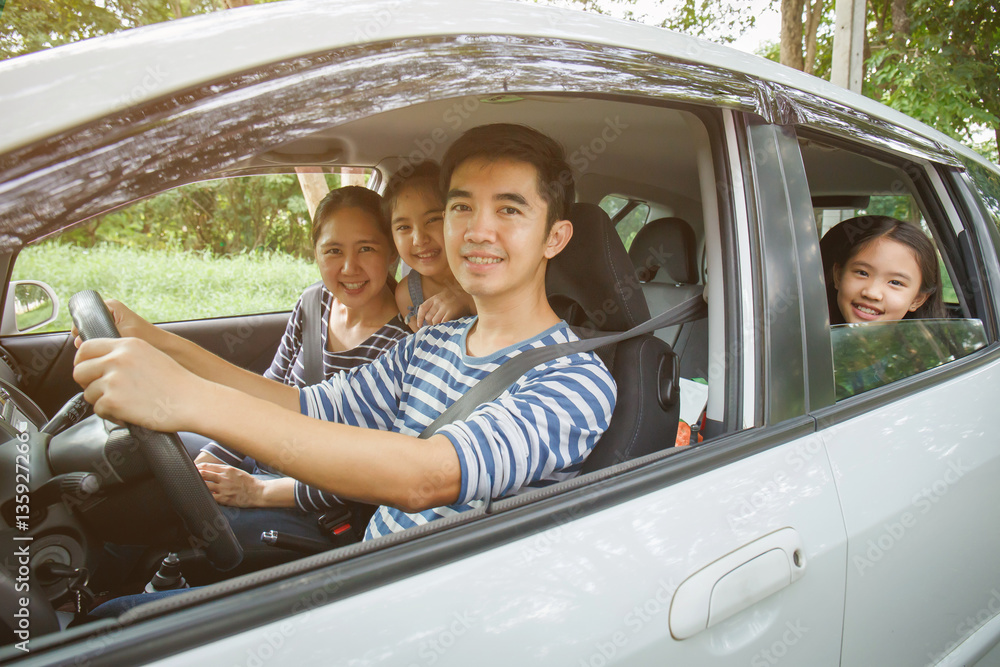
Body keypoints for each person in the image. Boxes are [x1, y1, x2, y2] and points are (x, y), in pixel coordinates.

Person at [73, 123, 615, 553]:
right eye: (461, 206)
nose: (477, 230)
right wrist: (156, 340)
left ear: (555, 237)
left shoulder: (574, 381)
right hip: (368, 569)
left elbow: (427, 477)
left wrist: (184, 399)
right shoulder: (428, 345)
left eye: (509, 209)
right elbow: (300, 404)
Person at [192, 185, 410, 553]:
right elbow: (269, 390)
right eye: (333, 251)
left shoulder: (406, 342)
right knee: (167, 462)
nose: (349, 268)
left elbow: (371, 471)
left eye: (366, 249)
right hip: (265, 457)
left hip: (323, 504)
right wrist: (216, 455)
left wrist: (255, 491)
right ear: (316, 254)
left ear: (391, 253)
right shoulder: (314, 302)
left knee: (204, 528)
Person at [386, 161, 477, 331]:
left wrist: (467, 300)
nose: (419, 239)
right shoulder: (408, 293)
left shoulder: (484, 269)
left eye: (433, 220)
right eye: (404, 227)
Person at [820, 215, 945, 325]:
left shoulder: (927, 351)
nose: (872, 293)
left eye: (895, 282)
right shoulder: (804, 342)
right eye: (862, 273)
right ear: (838, 276)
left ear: (917, 300)